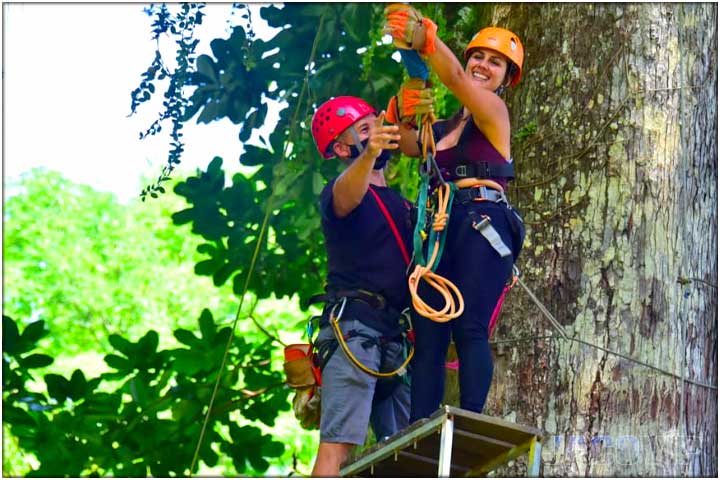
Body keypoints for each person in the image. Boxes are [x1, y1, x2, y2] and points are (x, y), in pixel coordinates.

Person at [384, 5, 527, 423]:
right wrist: (402, 107)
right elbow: (408, 145)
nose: (484, 65)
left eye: (496, 62)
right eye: (479, 56)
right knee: (428, 336)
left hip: (483, 224)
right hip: (439, 230)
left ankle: (468, 420)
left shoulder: (494, 113)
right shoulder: (445, 128)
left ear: (507, 78)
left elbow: (457, 80)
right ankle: (421, 426)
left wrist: (426, 40)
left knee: (469, 328)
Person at [308, 96, 414, 477]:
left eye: (377, 126)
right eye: (364, 130)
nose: (376, 137)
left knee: (407, 449)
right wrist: (368, 155)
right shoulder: (341, 194)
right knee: (338, 447)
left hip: (393, 336)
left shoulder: (403, 206)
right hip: (353, 328)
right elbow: (346, 193)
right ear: (341, 147)